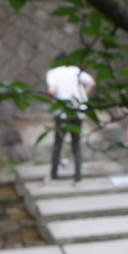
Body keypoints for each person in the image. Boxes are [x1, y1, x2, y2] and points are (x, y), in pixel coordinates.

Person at [46, 53, 95, 182]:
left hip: (62, 113)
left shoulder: (53, 72)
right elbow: (91, 82)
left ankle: (53, 176)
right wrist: (82, 98)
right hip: (76, 112)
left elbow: (51, 91)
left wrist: (53, 103)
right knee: (76, 145)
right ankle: (78, 178)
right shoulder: (75, 70)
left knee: (58, 145)